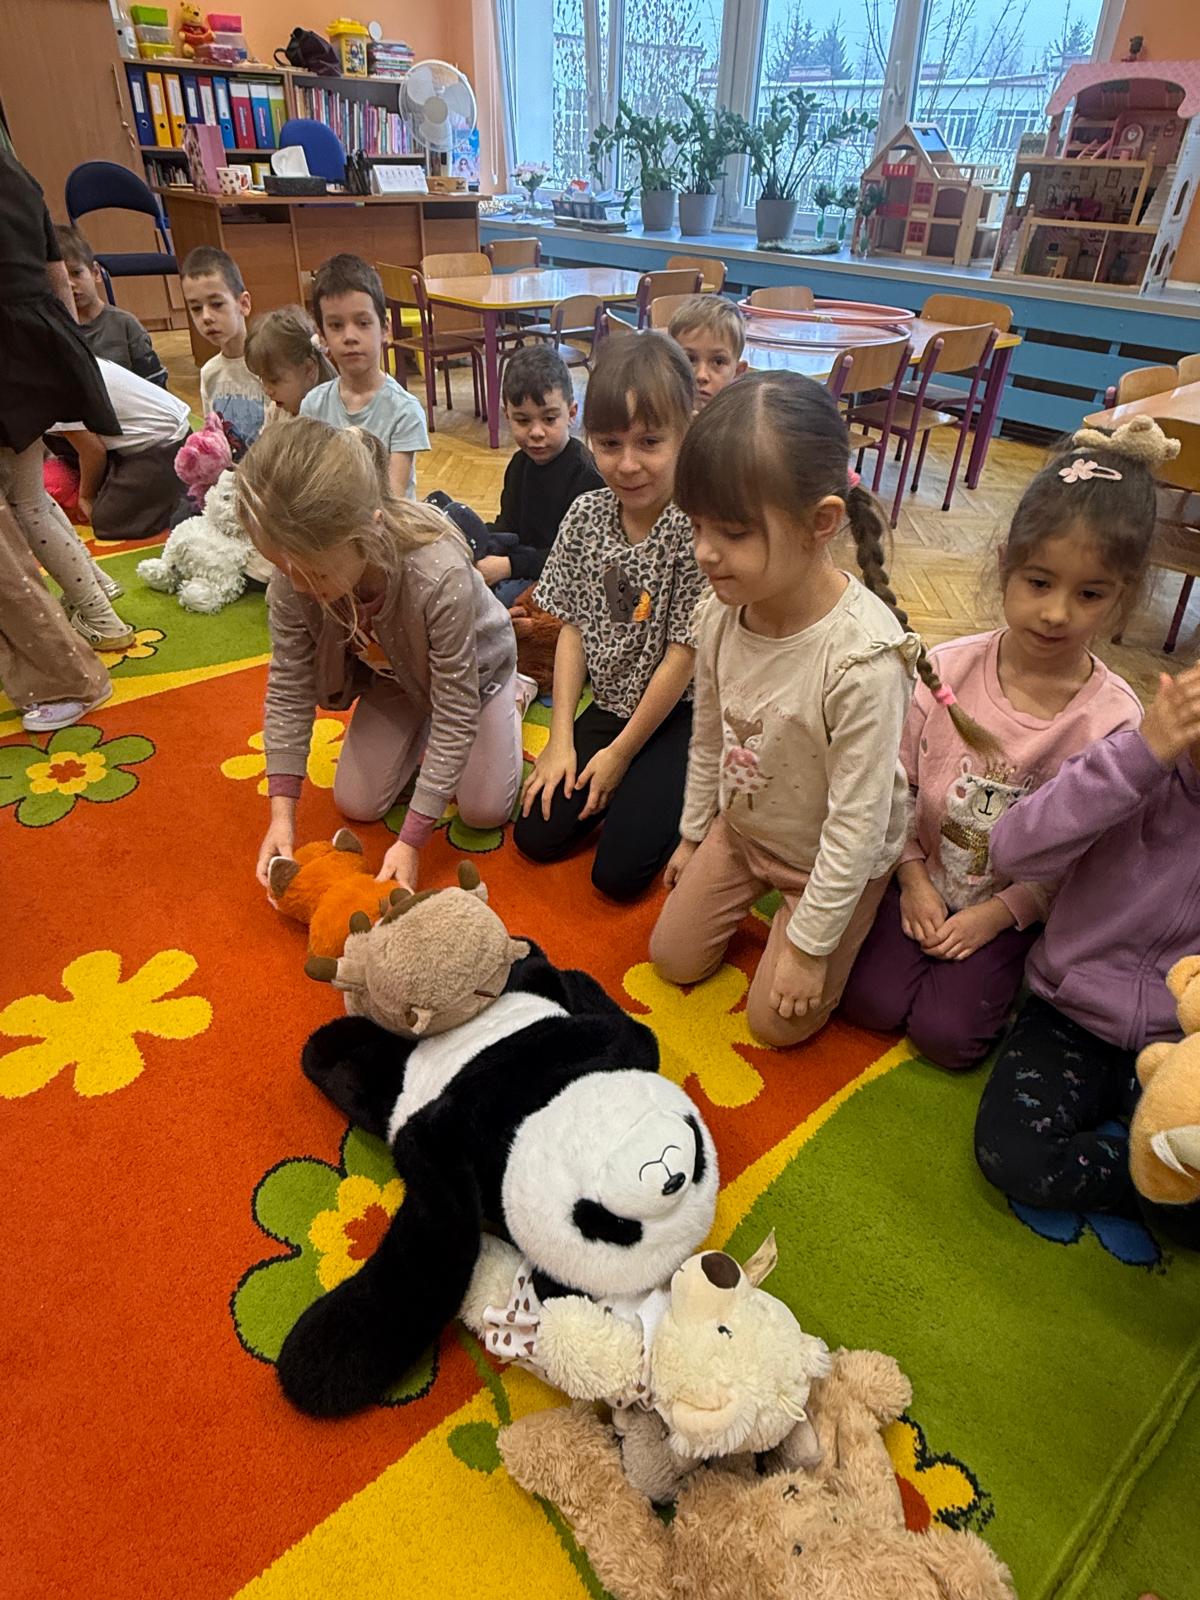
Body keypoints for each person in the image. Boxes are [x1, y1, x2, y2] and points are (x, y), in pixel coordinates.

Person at [839, 423, 1165, 1070]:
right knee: (868, 1002)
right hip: (919, 876)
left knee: (947, 1037)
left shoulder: (1114, 719)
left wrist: (999, 916)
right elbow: (895, 783)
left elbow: (1087, 858)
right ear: (1004, 568)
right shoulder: (946, 669)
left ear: (1123, 599)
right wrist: (912, 878)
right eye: (1039, 583)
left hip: (1013, 911)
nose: (1056, 613)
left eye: (1090, 594)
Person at [649, 371, 956, 1050]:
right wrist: (696, 834)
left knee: (775, 1026)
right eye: (696, 525)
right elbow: (708, 736)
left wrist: (811, 947)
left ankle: (859, 915)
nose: (704, 552)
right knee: (670, 959)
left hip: (830, 857)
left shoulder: (862, 660)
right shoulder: (720, 611)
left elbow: (857, 822)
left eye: (732, 532)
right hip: (746, 831)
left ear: (821, 522)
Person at [238, 415, 534, 893]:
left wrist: (412, 840)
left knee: (483, 811)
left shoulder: (437, 575)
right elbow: (289, 687)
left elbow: (456, 707)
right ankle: (423, 726)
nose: (297, 586)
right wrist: (281, 814)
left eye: (314, 573)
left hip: (478, 677)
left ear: (371, 531)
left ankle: (514, 696)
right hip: (396, 676)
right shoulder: (296, 574)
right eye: (283, 568)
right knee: (357, 803)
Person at [973, 664, 1200, 1249]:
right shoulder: (1129, 764)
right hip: (1068, 1013)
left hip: (1182, 1038)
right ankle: (1157, 1178)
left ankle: (1167, 1178)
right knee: (1012, 1153)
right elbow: (1011, 851)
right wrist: (1141, 758)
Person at [514, 333, 707, 900]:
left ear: (685, 434)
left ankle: (690, 788)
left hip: (683, 715)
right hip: (613, 702)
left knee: (617, 876)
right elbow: (572, 627)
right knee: (535, 835)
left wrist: (621, 756)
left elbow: (683, 656)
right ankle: (639, 784)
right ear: (589, 438)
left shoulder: (695, 527)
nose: (627, 464)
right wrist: (561, 741)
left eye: (649, 442)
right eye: (609, 443)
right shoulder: (586, 514)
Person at [0, 146, 124, 731]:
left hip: (16, 344)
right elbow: (53, 269)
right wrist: (66, 348)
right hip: (32, 336)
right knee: (30, 497)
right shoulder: (14, 171)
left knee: (25, 504)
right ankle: (99, 601)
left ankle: (88, 631)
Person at [439, 344, 603, 607]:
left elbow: (579, 558)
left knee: (493, 599)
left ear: (571, 414)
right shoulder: (519, 464)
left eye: (549, 419)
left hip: (559, 577)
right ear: (507, 415)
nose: (536, 432)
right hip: (520, 561)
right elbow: (508, 526)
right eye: (523, 421)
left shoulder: (587, 476)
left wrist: (509, 566)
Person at [300, 254, 429, 500]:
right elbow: (309, 483)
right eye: (336, 325)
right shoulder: (313, 406)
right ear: (322, 336)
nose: (350, 336)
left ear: (385, 329)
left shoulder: (404, 411)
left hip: (385, 519)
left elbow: (393, 498)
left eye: (362, 323)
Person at [48, 357, 191, 543]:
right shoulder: (63, 361)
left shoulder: (51, 383)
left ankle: (187, 494)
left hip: (163, 444)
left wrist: (86, 496)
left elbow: (93, 451)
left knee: (107, 522)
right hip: (151, 437)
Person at [53, 224, 168, 386]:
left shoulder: (125, 324)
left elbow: (155, 385)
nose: (70, 284)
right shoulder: (53, 329)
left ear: (96, 272)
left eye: (76, 273)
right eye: (61, 279)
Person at [180, 245, 267, 457]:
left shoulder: (269, 365)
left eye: (217, 304)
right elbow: (214, 439)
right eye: (196, 308)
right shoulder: (209, 372)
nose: (206, 317)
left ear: (243, 304)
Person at [244, 305, 336, 416]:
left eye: (274, 381)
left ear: (308, 369)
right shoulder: (276, 412)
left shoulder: (334, 413)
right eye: (262, 379)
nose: (267, 390)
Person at [667, 295, 748, 410]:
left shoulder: (744, 420)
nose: (701, 376)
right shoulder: (652, 417)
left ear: (738, 373)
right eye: (690, 359)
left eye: (718, 362)